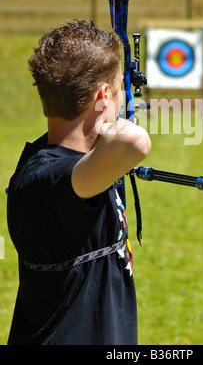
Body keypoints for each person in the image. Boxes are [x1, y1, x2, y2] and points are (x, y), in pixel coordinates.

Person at [6, 19, 151, 345]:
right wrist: (113, 116)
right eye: (117, 92)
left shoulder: (71, 161)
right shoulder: (45, 182)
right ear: (102, 96)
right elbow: (135, 142)